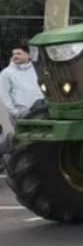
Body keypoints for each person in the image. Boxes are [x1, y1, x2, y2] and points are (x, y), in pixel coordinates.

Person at [0, 43, 44, 171]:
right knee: (25, 141)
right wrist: (14, 112)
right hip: (21, 112)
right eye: (13, 54)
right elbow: (4, 95)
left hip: (40, 109)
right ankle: (20, 166)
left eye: (18, 53)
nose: (15, 56)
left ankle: (37, 166)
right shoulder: (6, 73)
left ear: (28, 55)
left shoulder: (37, 69)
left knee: (40, 141)